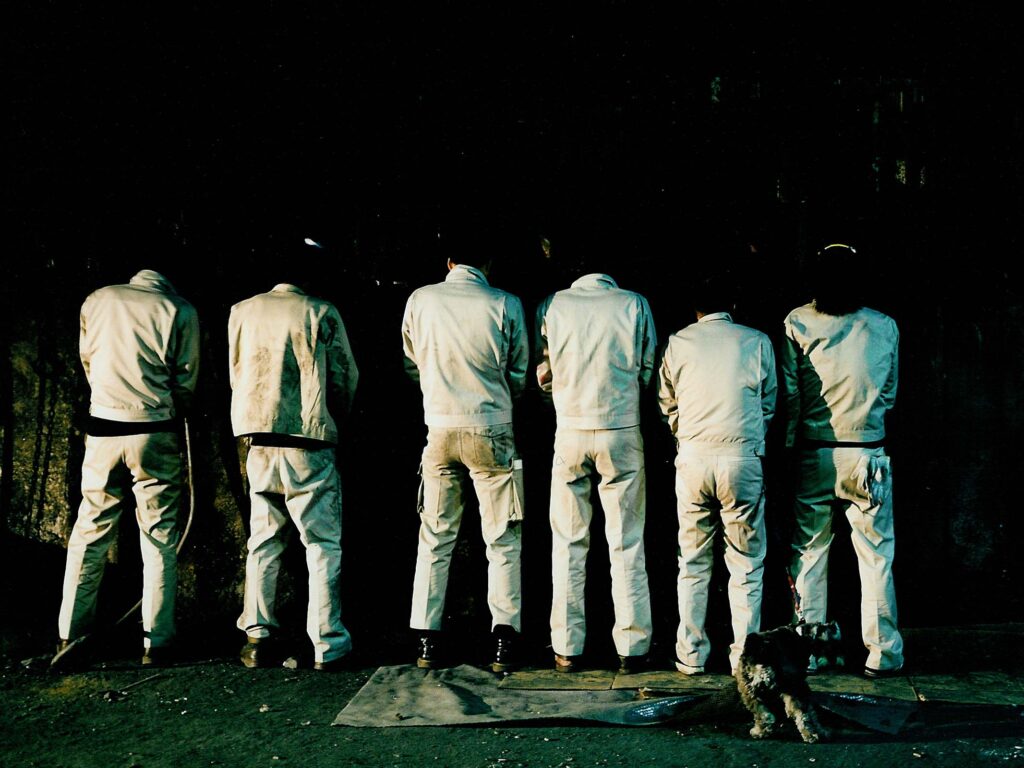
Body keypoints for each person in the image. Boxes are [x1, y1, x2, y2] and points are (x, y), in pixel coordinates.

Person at [55, 268, 200, 667]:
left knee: (90, 530)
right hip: (154, 429)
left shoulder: (97, 299)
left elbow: (87, 359)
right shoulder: (179, 309)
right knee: (158, 534)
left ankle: (70, 632)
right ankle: (158, 641)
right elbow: (186, 381)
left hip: (102, 426)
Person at [402, 244, 528, 674]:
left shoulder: (420, 299)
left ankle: (427, 639)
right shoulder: (505, 303)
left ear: (449, 260)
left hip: (439, 428)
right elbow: (518, 371)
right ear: (487, 262)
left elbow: (411, 362)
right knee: (503, 536)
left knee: (435, 536)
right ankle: (503, 641)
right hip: (491, 427)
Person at [782, 242, 905, 678]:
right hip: (869, 451)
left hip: (816, 450)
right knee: (876, 556)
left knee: (811, 553)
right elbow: (888, 392)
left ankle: (810, 652)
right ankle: (884, 653)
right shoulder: (884, 325)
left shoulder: (798, 321)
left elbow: (793, 393)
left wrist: (794, 438)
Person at [228, 274, 359, 672]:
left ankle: (256, 638)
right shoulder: (320, 311)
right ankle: (326, 642)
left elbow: (237, 372)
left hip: (259, 438)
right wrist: (333, 420)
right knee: (321, 544)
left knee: (263, 540)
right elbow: (343, 376)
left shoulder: (241, 311)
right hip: (308, 440)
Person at [536, 266, 656, 674]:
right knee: (626, 541)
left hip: (569, 429)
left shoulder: (553, 304)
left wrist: (563, 396)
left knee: (568, 542)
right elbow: (646, 369)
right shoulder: (634, 303)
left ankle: (567, 648)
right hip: (621, 427)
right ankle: (632, 646)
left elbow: (543, 372)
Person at [656, 275, 777, 675]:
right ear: (734, 304)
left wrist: (685, 434)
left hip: (693, 458)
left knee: (692, 561)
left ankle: (690, 654)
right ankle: (746, 656)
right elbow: (768, 403)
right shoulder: (757, 341)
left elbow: (667, 402)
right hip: (741, 459)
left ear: (695, 308)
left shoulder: (678, 343)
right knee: (745, 563)